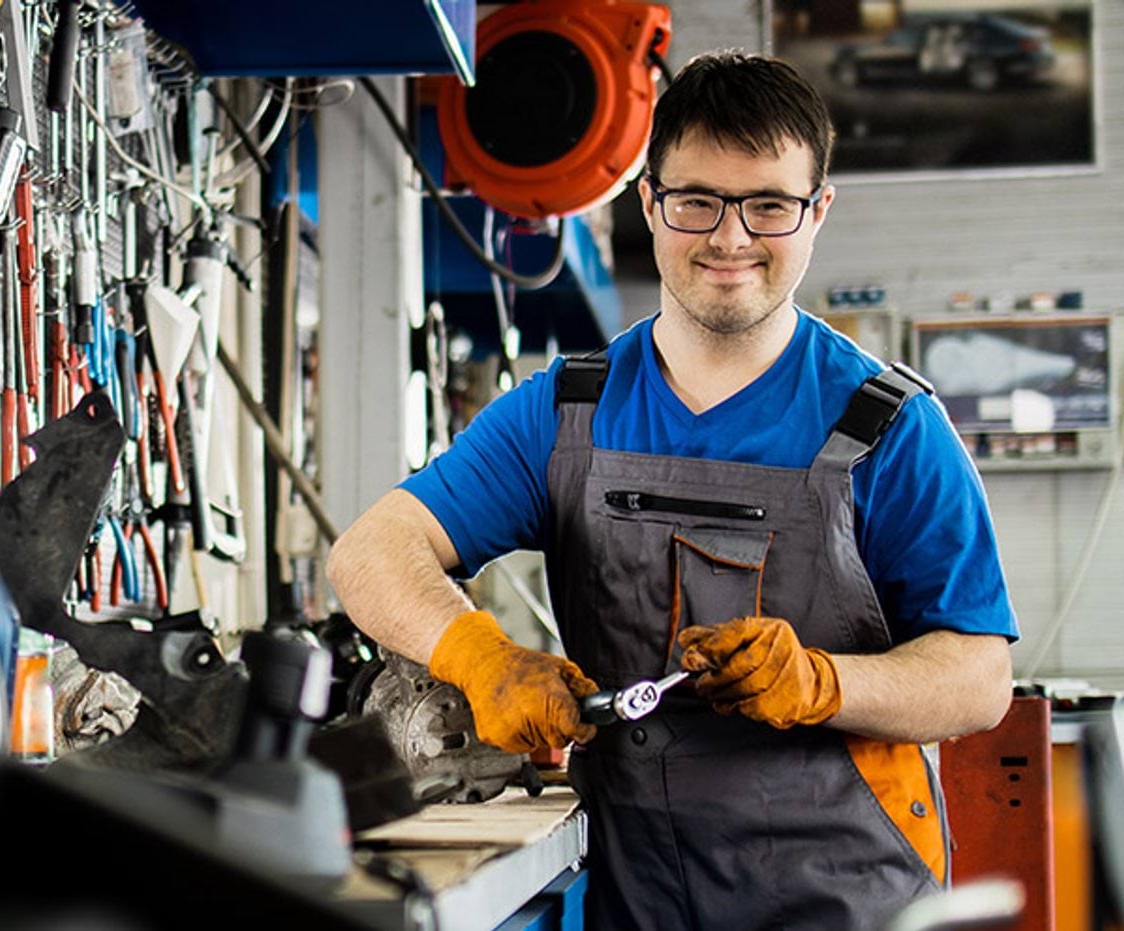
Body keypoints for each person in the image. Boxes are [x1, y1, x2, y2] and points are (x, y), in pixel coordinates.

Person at [327, 51, 1017, 930]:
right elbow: (371, 550)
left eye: (769, 205)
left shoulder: (891, 429)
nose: (731, 238)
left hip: (850, 901)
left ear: (818, 213)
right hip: (638, 896)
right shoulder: (565, 412)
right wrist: (479, 655)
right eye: (697, 201)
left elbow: (981, 678)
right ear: (649, 202)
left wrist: (822, 682)